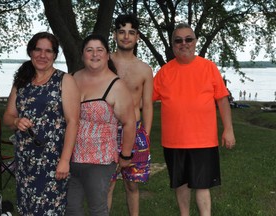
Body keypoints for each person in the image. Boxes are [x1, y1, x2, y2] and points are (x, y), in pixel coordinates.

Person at [152, 23, 236, 216]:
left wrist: (228, 129)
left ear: (195, 42)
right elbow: (146, 99)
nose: (184, 44)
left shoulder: (209, 67)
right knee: (180, 184)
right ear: (173, 45)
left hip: (203, 140)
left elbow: (222, 100)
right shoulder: (164, 72)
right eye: (178, 40)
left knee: (202, 184)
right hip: (173, 141)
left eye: (188, 39)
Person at [3, 32, 80, 215]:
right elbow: (7, 116)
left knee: (50, 210)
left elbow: (73, 122)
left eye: (48, 51)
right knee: (27, 209)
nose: (42, 55)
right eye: (38, 49)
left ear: (54, 55)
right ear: (31, 51)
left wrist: (64, 160)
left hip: (53, 161)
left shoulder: (65, 80)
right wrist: (16, 120)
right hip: (25, 161)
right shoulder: (21, 80)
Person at [65, 34, 136, 216]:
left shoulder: (116, 86)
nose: (94, 54)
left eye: (100, 50)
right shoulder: (70, 79)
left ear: (107, 55)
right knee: (71, 208)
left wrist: (125, 156)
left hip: (100, 160)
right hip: (69, 157)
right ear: (82, 55)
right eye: (89, 50)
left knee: (97, 208)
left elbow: (129, 123)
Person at [107, 14, 154, 216]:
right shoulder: (103, 61)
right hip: (106, 131)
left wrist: (146, 134)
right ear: (115, 34)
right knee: (106, 186)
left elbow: (148, 105)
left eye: (131, 33)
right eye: (122, 32)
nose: (126, 37)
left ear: (137, 37)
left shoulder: (145, 69)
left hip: (135, 132)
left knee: (132, 186)